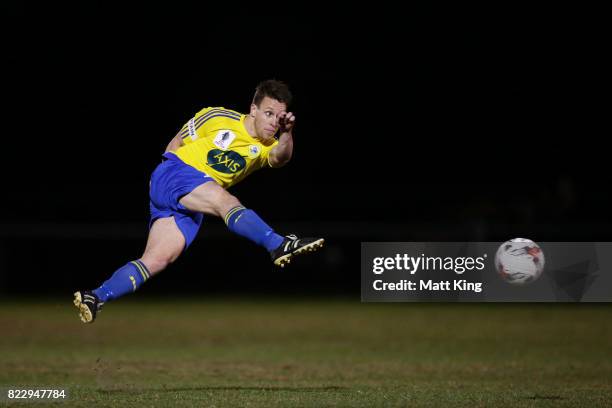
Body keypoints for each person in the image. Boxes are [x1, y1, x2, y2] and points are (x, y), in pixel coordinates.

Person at [73, 80, 324, 323]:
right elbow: (176, 142)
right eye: (268, 113)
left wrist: (287, 132)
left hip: (193, 198)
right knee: (226, 201)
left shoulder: (267, 145)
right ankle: (277, 244)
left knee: (157, 260)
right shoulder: (217, 116)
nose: (273, 122)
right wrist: (162, 175)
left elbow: (281, 158)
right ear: (253, 109)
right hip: (177, 174)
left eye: (278, 118)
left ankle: (95, 296)